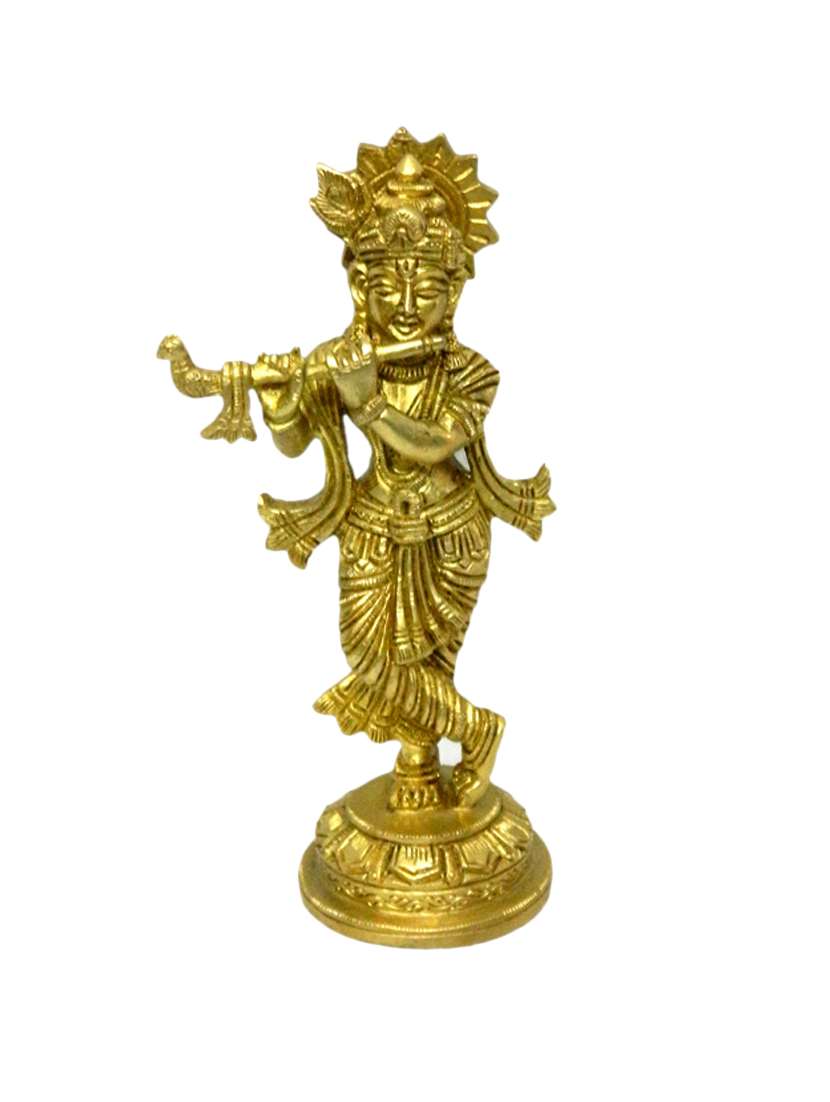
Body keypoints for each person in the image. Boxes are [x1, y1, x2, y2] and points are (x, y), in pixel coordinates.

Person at [254, 130, 554, 809]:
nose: (410, 305)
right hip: (370, 521)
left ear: (455, 293)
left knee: (430, 663)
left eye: (429, 288)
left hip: (451, 530)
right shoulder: (345, 357)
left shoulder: (471, 372)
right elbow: (297, 442)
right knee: (367, 655)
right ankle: (475, 729)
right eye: (391, 286)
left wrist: (368, 402)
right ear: (362, 286)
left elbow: (435, 443)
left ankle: (419, 764)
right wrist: (281, 404)